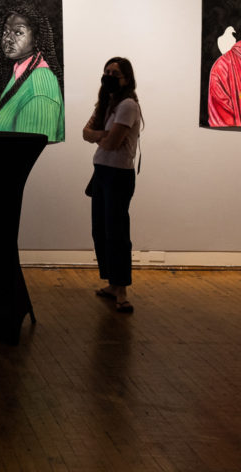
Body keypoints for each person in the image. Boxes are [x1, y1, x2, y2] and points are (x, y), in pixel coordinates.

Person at [82, 57, 143, 314]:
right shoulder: (107, 103)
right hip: (102, 171)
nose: (109, 76)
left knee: (116, 233)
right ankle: (112, 283)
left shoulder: (128, 105)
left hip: (118, 175)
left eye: (115, 73)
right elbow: (85, 133)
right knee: (100, 230)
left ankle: (122, 290)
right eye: (106, 71)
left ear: (126, 79)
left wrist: (100, 137)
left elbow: (112, 143)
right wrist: (102, 135)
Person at [0, 10, 65, 140]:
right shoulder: (21, 72)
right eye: (5, 31)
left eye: (18, 33)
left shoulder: (39, 89)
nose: (7, 39)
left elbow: (30, 146)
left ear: (36, 38)